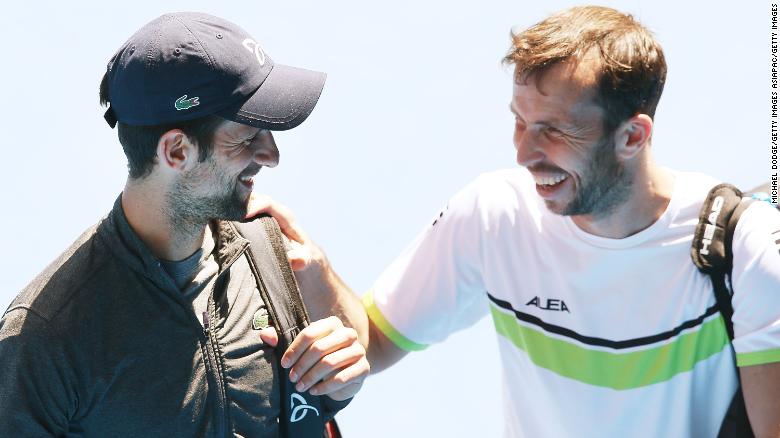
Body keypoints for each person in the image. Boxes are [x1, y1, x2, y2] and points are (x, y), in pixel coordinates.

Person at [261, 6, 780, 437]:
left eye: (553, 130)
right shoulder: (494, 217)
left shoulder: (745, 246)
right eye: (519, 120)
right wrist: (316, 270)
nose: (525, 152)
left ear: (633, 136)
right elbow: (370, 345)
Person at [0, 12, 368, 437]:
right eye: (248, 135)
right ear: (177, 151)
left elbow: (312, 397)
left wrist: (339, 381)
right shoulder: (45, 338)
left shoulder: (267, 242)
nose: (271, 155)